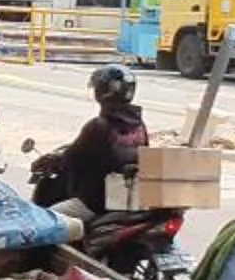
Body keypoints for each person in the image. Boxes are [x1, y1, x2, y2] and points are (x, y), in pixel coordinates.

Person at [34, 64, 150, 216]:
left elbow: (71, 158)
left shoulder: (98, 126)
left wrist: (48, 162)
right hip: (124, 201)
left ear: (102, 91)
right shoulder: (139, 126)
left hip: (96, 203)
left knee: (44, 221)